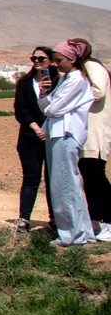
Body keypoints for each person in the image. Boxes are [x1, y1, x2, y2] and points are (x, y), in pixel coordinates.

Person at [39, 40, 96, 246]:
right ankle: (81, 233)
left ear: (72, 59)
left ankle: (70, 235)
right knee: (65, 184)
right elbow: (46, 105)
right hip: (56, 133)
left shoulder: (76, 81)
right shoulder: (65, 80)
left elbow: (53, 109)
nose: (54, 64)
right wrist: (44, 93)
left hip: (66, 133)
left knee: (64, 185)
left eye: (58, 60)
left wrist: (48, 103)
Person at [71, 40, 111, 242]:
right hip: (83, 130)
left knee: (96, 176)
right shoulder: (80, 69)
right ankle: (95, 219)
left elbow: (99, 92)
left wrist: (73, 96)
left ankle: (109, 220)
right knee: (89, 177)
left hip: (95, 129)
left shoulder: (92, 66)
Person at [13, 46, 54, 233]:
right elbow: (20, 109)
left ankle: (55, 218)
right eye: (34, 58)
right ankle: (24, 218)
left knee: (53, 179)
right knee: (31, 178)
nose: (37, 61)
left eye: (41, 58)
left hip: (53, 137)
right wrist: (36, 127)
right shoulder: (25, 83)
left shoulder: (60, 82)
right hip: (29, 137)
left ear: (51, 61)